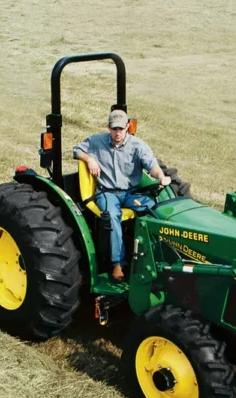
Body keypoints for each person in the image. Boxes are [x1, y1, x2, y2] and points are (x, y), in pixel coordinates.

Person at [73, 109, 172, 282]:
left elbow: (151, 165)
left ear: (127, 127)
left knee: (153, 209)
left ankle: (158, 255)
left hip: (129, 193)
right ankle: (118, 264)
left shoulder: (137, 146)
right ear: (108, 128)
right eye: (114, 129)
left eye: (121, 129)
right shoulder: (97, 141)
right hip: (107, 192)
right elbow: (76, 150)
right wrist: (89, 159)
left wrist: (161, 177)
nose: (117, 133)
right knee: (112, 215)